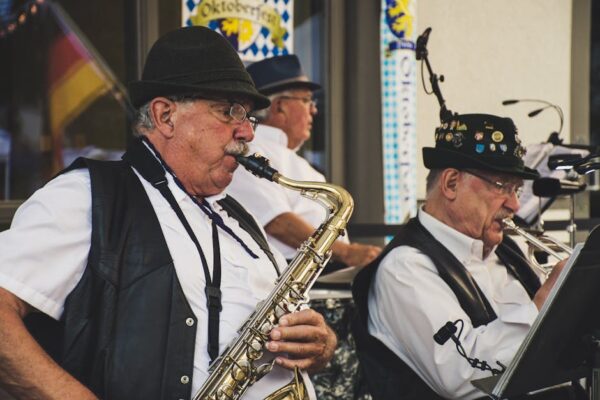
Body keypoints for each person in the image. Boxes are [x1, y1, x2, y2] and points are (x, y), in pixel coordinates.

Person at [0, 26, 336, 400]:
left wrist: (320, 343)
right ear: (165, 115)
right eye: (228, 111)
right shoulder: (89, 195)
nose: (247, 132)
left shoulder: (239, 218)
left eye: (249, 117)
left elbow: (304, 332)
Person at [352, 113, 576, 400]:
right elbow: (461, 374)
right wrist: (544, 305)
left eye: (517, 189)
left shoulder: (509, 250)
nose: (515, 204)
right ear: (452, 184)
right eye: (502, 186)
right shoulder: (405, 267)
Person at [227, 55, 381, 399]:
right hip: (293, 300)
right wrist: (348, 252)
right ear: (279, 107)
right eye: (307, 101)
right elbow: (278, 222)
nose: (314, 111)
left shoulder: (291, 159)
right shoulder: (253, 151)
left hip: (326, 295)